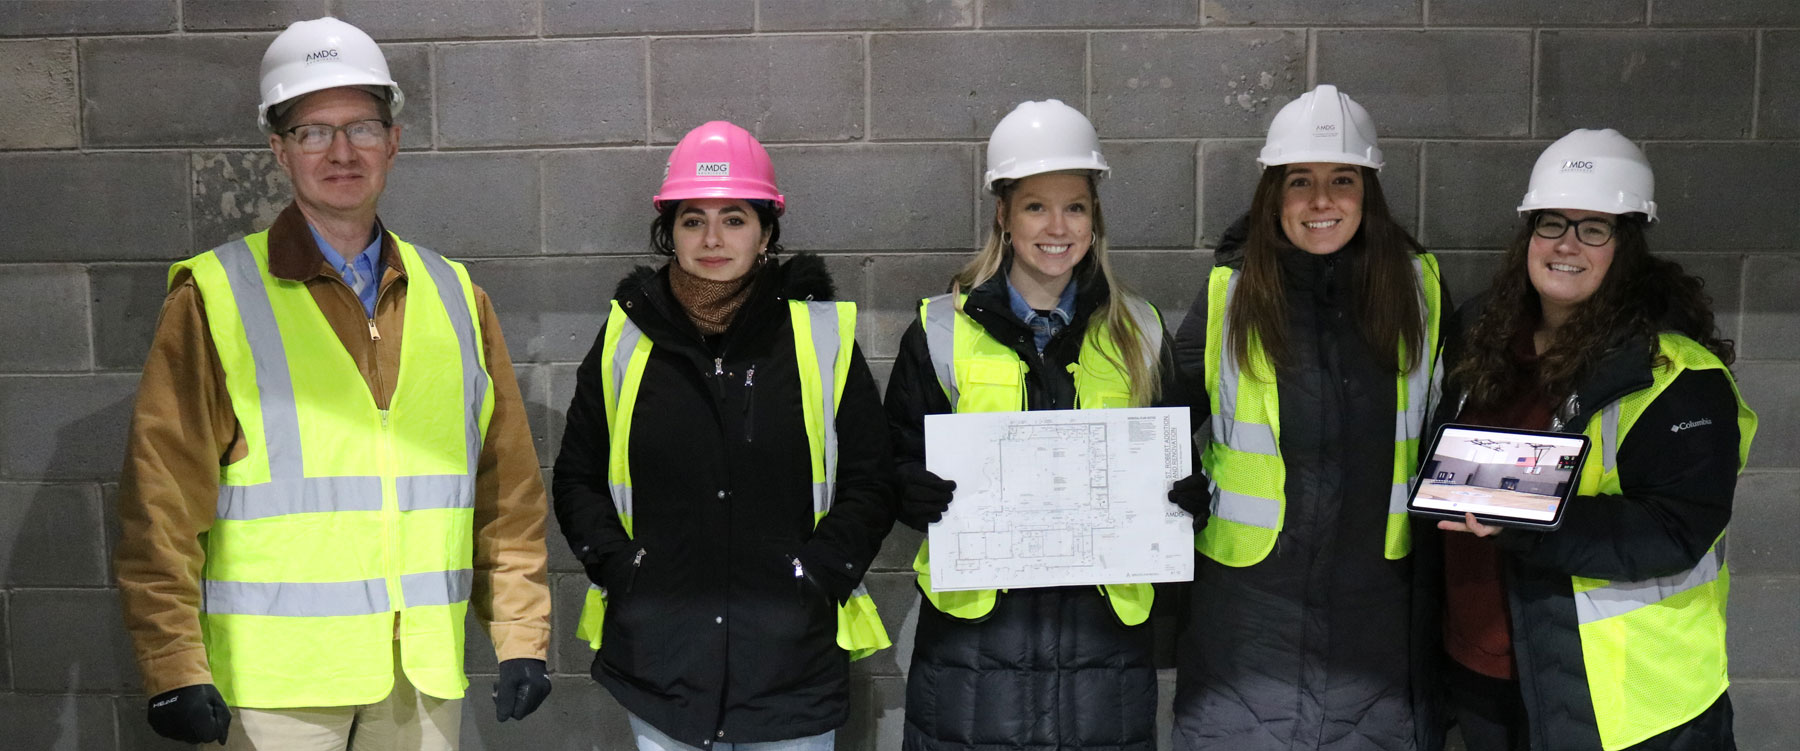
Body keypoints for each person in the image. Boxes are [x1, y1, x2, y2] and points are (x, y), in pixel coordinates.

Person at [113, 17, 552, 750]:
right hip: (273, 691)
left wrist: (521, 633)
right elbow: (159, 502)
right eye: (314, 132)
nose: (342, 151)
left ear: (395, 141)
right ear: (279, 151)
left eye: (362, 127)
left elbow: (505, 486)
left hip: (416, 681)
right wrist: (172, 665)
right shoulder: (216, 296)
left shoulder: (455, 295)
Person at [552, 120, 896, 751]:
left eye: (734, 218)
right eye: (692, 220)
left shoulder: (818, 337)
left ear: (766, 230)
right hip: (661, 663)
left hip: (790, 663)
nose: (712, 238)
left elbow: (870, 480)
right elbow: (578, 475)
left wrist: (820, 574)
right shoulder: (626, 337)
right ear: (670, 233)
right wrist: (623, 568)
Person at [1427, 128, 1755, 751]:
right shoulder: (1481, 334)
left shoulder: (1673, 375)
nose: (1567, 244)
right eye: (1552, 223)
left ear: (1625, 246)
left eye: (1594, 228)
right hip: (1482, 670)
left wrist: (1529, 522)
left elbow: (1677, 528)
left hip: (1621, 701)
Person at [884, 99, 1189, 751]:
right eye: (1035, 206)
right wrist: (909, 488)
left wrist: (1184, 500)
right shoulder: (941, 331)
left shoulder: (1142, 331)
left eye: (1075, 206)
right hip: (975, 663)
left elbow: (1182, 464)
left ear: (1094, 216)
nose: (1057, 226)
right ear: (1004, 213)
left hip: (1100, 662)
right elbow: (890, 462)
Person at [1169, 84, 1448, 751]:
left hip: (1375, 626)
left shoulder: (1420, 291)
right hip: (1246, 625)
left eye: (1342, 180)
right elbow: (1157, 420)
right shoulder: (1228, 296)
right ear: (1274, 194)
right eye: (1301, 181)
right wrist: (1170, 488)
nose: (1321, 201)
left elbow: (1458, 427)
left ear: (1368, 193)